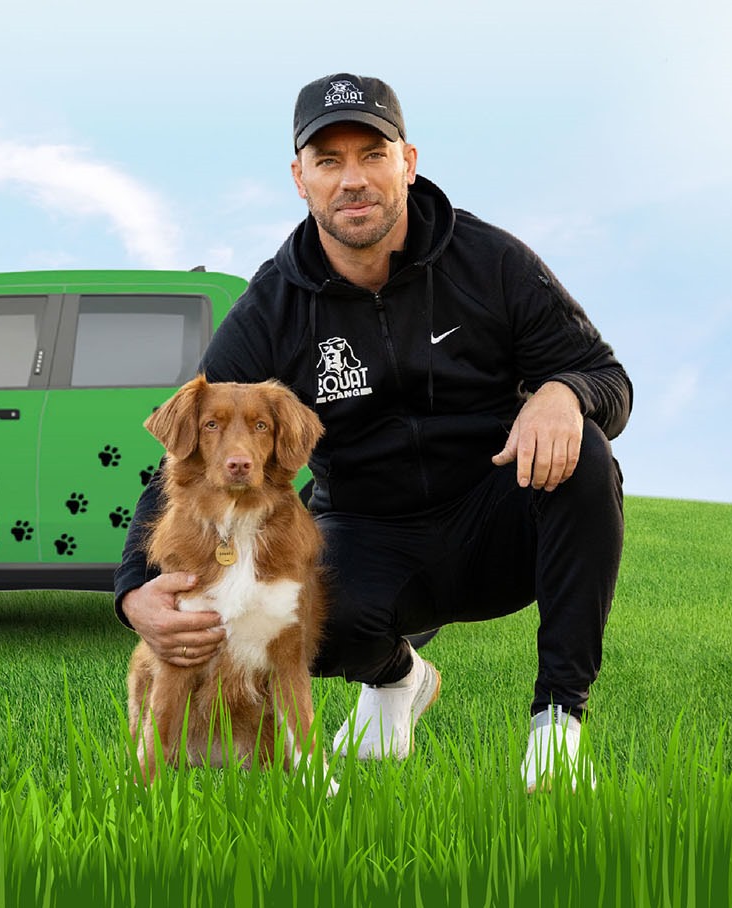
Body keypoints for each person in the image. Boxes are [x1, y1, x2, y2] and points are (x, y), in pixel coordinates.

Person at [114, 73, 630, 790]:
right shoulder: (273, 306)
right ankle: (399, 678)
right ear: (300, 178)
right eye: (328, 161)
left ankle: (557, 728)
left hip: (500, 522)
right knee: (289, 604)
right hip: (370, 531)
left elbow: (607, 378)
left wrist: (564, 392)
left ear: (407, 162)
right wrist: (134, 590)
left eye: (372, 155)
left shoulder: (492, 262)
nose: (352, 180)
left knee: (587, 457)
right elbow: (189, 455)